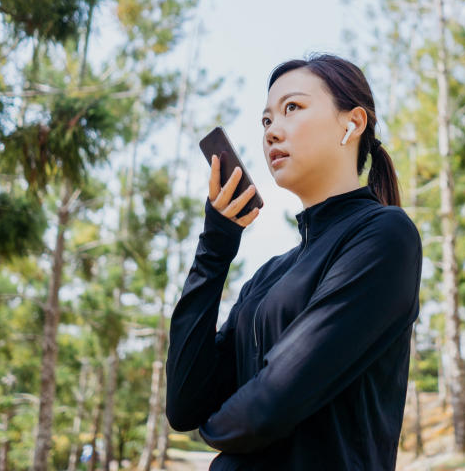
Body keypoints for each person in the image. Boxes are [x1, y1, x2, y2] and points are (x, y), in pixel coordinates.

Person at [165, 53, 423, 470]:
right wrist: (216, 244)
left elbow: (268, 407)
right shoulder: (268, 277)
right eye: (266, 120)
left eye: (292, 108)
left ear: (352, 123)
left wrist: (214, 432)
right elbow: (183, 403)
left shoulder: (384, 237)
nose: (272, 132)